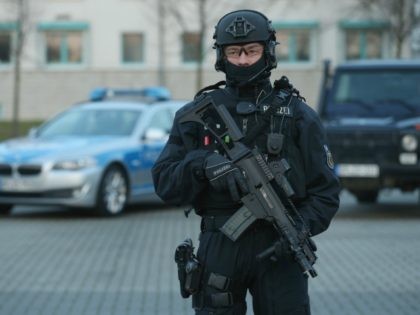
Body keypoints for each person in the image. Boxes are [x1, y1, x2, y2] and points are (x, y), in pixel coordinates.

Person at [152, 9, 340, 315]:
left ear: (267, 52)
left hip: (279, 249)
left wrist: (300, 229)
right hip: (220, 244)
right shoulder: (197, 116)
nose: (242, 60)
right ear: (221, 56)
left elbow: (326, 193)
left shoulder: (298, 116)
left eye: (251, 51)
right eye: (234, 51)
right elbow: (164, 182)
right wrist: (202, 164)